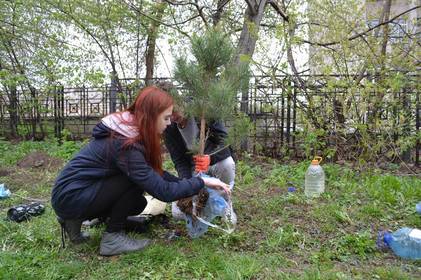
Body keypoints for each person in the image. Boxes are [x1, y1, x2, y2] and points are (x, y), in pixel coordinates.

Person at [51, 86, 230, 256]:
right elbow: (163, 191)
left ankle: (73, 220)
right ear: (151, 116)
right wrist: (202, 182)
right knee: (133, 180)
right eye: (166, 118)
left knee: (138, 204)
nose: (169, 124)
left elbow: (155, 173)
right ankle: (112, 237)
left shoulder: (126, 130)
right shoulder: (124, 143)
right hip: (71, 196)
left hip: (71, 195)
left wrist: (189, 185)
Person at [163, 110, 236, 220]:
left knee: (228, 164)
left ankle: (225, 202)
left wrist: (210, 158)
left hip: (214, 162)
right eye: (169, 114)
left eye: (175, 111)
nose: (172, 117)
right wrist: (186, 185)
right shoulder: (169, 127)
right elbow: (179, 161)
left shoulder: (203, 110)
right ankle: (206, 206)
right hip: (195, 169)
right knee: (177, 213)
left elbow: (225, 142)